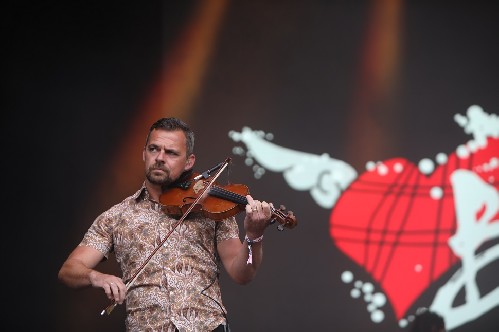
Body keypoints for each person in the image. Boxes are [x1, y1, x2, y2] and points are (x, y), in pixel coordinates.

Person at [58, 117, 274, 332]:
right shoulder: (115, 217)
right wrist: (96, 276)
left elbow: (242, 273)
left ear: (189, 162)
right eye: (154, 149)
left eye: (171, 153)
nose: (160, 158)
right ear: (144, 154)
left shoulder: (212, 209)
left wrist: (254, 236)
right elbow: (69, 270)